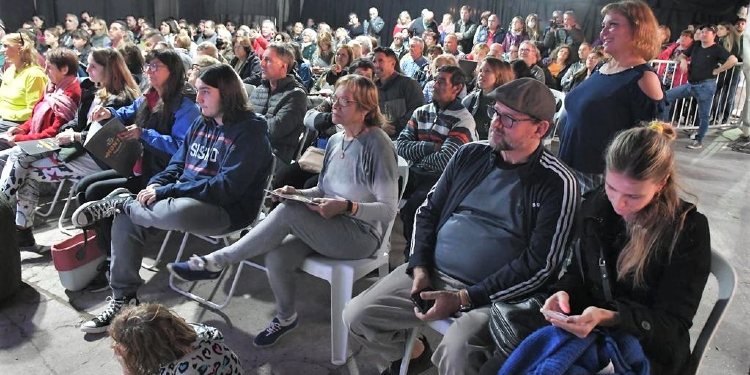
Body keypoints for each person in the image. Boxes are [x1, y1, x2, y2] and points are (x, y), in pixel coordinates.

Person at [344, 78, 578, 375]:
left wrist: (465, 298)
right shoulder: (471, 155)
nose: (495, 123)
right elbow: (427, 212)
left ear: (541, 129)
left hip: (495, 296)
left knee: (457, 353)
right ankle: (415, 355)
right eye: (495, 112)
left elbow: (542, 265)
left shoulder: (557, 183)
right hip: (432, 273)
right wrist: (419, 268)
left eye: (509, 118)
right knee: (357, 316)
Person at [167, 74, 399, 349]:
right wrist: (298, 193)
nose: (334, 105)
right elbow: (323, 191)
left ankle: (217, 261)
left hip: (361, 235)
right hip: (330, 225)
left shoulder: (378, 144)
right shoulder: (337, 140)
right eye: (335, 99)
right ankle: (286, 317)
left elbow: (387, 210)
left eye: (345, 101)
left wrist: (348, 206)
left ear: (366, 109)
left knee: (289, 213)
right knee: (277, 256)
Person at [75, 64, 273, 333]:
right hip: (184, 196)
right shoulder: (200, 123)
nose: (198, 98)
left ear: (226, 93)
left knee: (173, 211)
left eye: (205, 91)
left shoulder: (251, 131)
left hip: (226, 210)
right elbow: (177, 165)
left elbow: (226, 188)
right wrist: (155, 185)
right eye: (198, 91)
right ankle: (123, 297)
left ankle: (123, 201)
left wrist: (167, 191)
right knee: (127, 215)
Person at [539, 123, 710, 375]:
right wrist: (562, 293)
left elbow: (673, 327)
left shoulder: (687, 230)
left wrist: (612, 317)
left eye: (633, 196)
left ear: (661, 184)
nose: (619, 204)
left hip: (649, 349)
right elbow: (579, 272)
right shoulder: (597, 205)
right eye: (611, 187)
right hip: (594, 332)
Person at [0, 48, 138, 250]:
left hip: (99, 160)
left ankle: (9, 215)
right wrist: (69, 131)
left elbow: (106, 140)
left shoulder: (121, 99)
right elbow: (77, 120)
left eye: (93, 66)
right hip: (74, 149)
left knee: (20, 157)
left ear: (108, 69)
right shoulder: (92, 90)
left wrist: (74, 136)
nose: (87, 70)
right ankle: (22, 232)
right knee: (21, 160)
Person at [558, 0, 664, 193]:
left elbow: (649, 144)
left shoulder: (643, 78)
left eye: (613, 25)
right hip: (569, 168)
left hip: (598, 180)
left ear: (638, 30)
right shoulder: (602, 68)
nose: (603, 32)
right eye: (603, 26)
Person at [397, 65, 477, 262]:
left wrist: (416, 152)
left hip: (443, 179)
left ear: (457, 88)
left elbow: (444, 162)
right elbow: (400, 146)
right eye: (435, 80)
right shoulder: (421, 112)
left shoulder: (463, 120)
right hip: (414, 172)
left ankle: (414, 259)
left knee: (416, 205)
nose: (434, 85)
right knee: (377, 188)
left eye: (442, 81)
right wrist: (430, 147)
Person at [661, 24, 737, 149]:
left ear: (714, 35)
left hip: (706, 86)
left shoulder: (717, 49)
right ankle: (665, 130)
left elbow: (733, 60)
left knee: (704, 115)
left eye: (707, 32)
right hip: (691, 85)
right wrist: (684, 60)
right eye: (702, 31)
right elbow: (682, 55)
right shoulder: (696, 45)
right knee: (666, 97)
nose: (703, 33)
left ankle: (699, 140)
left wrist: (718, 70)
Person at [110, 303, 243, 374]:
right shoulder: (199, 333)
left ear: (149, 351)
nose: (115, 346)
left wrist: (127, 366)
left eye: (121, 343)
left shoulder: (183, 370)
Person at [250, 42, 307, 165]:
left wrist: (250, 121)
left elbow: (275, 130)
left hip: (275, 157)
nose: (262, 64)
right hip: (251, 150)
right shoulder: (259, 90)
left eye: (268, 60)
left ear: (284, 67)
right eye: (262, 59)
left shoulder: (296, 95)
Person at [372, 47, 424, 139]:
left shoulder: (409, 84)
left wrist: (394, 126)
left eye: (380, 61)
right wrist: (380, 126)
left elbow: (417, 111)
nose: (376, 65)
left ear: (392, 63)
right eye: (374, 61)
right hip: (379, 138)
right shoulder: (372, 88)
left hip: (406, 139)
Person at [0, 33, 47, 124]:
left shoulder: (34, 75)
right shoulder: (10, 71)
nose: (2, 50)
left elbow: (33, 111)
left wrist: (5, 115)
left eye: (6, 46)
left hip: (19, 123)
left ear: (20, 48)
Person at [462, 57, 515, 139]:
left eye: (487, 71)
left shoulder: (507, 103)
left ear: (499, 75)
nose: (481, 74)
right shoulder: (469, 100)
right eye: (480, 71)